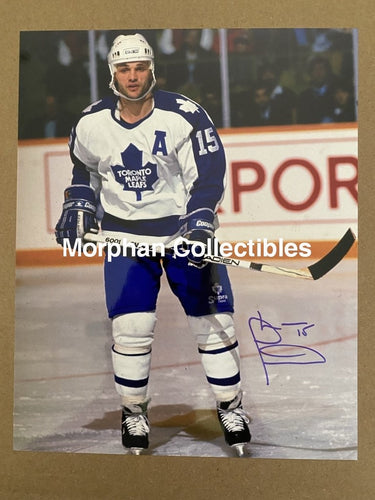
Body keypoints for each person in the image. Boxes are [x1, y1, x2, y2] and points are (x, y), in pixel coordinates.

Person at [55, 33, 251, 456]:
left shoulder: (184, 115)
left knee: (214, 325)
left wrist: (201, 217)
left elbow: (209, 172)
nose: (132, 76)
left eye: (139, 67)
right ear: (112, 73)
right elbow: (83, 170)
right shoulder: (90, 123)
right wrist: (80, 201)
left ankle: (230, 406)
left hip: (182, 237)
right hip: (125, 239)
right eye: (124, 69)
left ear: (151, 69)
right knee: (131, 331)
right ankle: (133, 411)